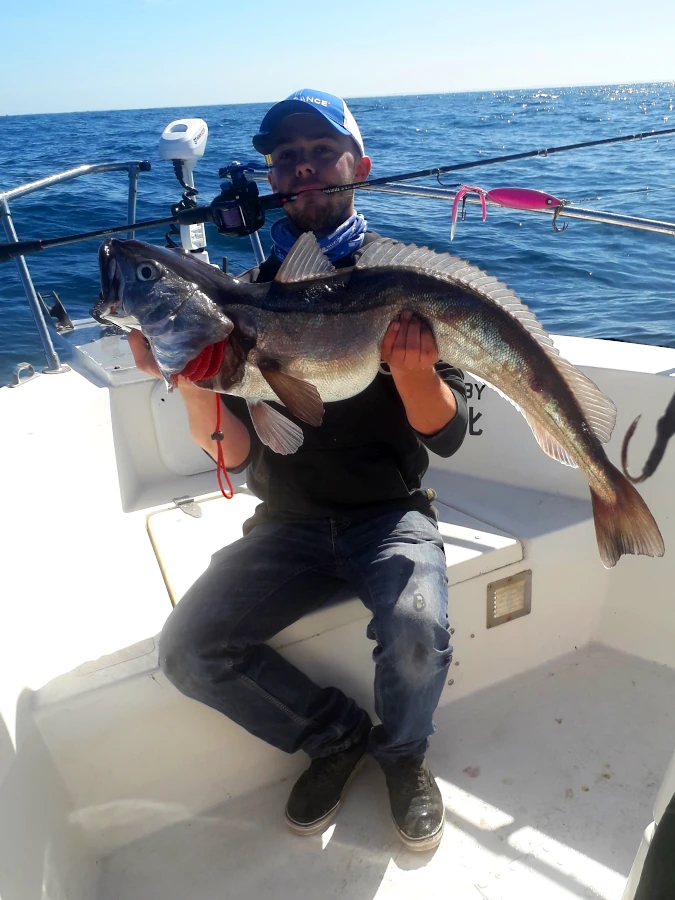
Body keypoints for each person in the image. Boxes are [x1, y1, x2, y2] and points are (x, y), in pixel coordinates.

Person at [128, 89, 468, 851]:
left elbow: (448, 437)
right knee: (188, 651)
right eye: (286, 157)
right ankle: (334, 735)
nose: (304, 167)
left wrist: (414, 372)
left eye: (322, 152)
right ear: (272, 176)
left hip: (392, 514)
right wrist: (188, 374)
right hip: (286, 524)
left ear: (359, 166)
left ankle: (403, 756)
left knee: (417, 633)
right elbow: (241, 452)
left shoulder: (404, 281)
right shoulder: (245, 301)